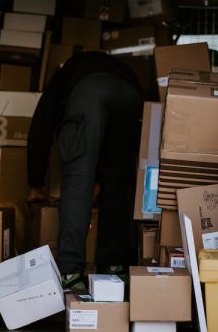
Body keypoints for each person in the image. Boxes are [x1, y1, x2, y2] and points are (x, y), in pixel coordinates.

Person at [27, 51, 142, 288]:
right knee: (116, 183)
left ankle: (70, 273)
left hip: (91, 93)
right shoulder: (111, 66)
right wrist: (101, 177)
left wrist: (35, 183)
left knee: (79, 182)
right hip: (131, 95)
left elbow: (40, 128)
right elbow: (105, 145)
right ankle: (114, 268)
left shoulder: (63, 78)